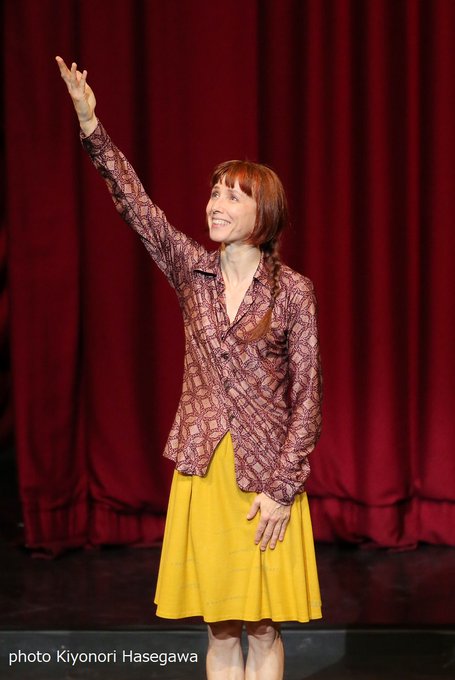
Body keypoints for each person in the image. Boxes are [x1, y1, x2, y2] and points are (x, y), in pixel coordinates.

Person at [56, 56, 323, 680]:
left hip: (265, 475)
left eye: (232, 196)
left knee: (264, 626)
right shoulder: (193, 272)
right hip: (205, 464)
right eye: (214, 193)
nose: (215, 204)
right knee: (220, 626)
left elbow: (308, 398)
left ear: (264, 214)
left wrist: (283, 491)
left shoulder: (293, 292)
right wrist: (92, 125)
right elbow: (137, 206)